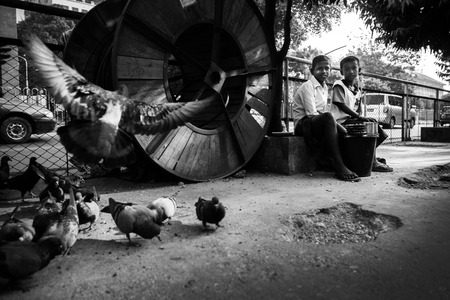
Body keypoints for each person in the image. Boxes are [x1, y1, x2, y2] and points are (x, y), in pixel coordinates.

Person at [292, 55, 361, 182]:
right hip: (303, 125)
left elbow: (322, 112)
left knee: (342, 130)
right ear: (312, 71)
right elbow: (312, 113)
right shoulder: (308, 86)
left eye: (327, 68)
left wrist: (336, 125)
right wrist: (335, 124)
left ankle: (332, 161)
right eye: (320, 68)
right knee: (330, 119)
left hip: (315, 122)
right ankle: (339, 166)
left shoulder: (324, 87)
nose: (324, 71)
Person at [330, 55, 393, 172]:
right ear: (341, 71)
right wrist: (359, 117)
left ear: (359, 70)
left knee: (372, 124)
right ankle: (372, 161)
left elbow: (358, 108)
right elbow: (341, 105)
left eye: (354, 68)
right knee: (367, 126)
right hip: (340, 122)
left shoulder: (356, 89)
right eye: (347, 69)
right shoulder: (339, 85)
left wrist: (362, 117)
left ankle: (369, 157)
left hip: (350, 120)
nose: (351, 71)